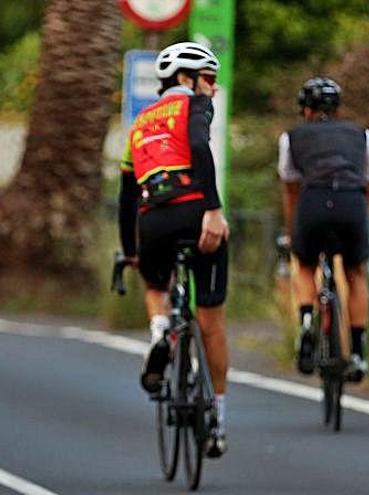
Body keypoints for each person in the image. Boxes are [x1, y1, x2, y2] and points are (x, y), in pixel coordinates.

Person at [118, 42, 229, 457]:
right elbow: (200, 148)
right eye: (209, 80)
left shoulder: (140, 122)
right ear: (186, 79)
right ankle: (217, 418)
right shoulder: (194, 107)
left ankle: (160, 331)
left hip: (152, 220)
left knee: (155, 284)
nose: (213, 90)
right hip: (195, 212)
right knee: (212, 322)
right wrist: (214, 211)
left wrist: (131, 249)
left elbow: (126, 194)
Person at [278, 77, 369, 382]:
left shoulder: (291, 137)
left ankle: (307, 320)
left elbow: (291, 188)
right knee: (355, 272)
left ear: (305, 110)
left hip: (313, 201)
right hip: (351, 202)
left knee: (306, 265)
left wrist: (293, 231)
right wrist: (362, 218)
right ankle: (358, 353)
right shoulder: (362, 135)